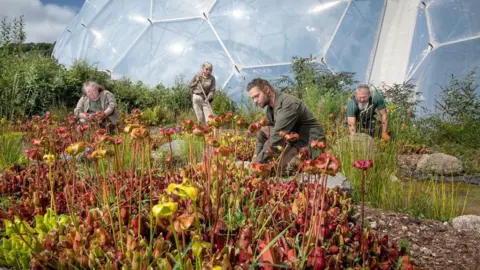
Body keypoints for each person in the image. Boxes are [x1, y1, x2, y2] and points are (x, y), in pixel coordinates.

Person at [247, 78, 326, 174]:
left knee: (279, 169)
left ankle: (310, 160)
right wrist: (255, 159)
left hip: (309, 142)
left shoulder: (288, 104)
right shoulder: (270, 109)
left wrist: (257, 164)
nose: (255, 101)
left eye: (257, 96)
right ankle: (264, 162)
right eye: (253, 98)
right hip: (293, 138)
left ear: (267, 90)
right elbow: (269, 132)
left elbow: (276, 137)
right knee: (262, 132)